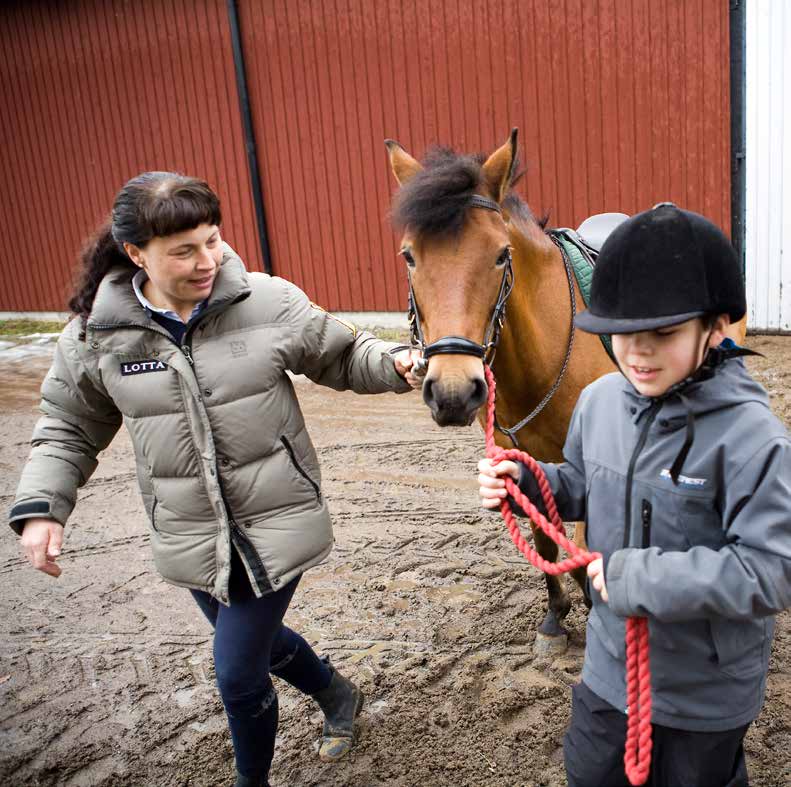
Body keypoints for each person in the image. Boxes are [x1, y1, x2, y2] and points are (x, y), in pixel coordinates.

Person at [10, 172, 422, 787]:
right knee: (258, 643)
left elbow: (340, 353)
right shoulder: (99, 336)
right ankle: (338, 695)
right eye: (184, 250)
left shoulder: (266, 301)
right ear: (135, 255)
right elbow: (69, 423)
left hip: (276, 518)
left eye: (212, 240)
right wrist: (43, 506)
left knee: (236, 672)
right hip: (191, 531)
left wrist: (394, 365)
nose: (208, 260)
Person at [478, 203, 791, 786]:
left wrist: (636, 580)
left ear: (717, 327)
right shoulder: (599, 402)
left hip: (704, 695)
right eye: (620, 334)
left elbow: (772, 571)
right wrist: (528, 483)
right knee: (590, 774)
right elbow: (582, 484)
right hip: (608, 668)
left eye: (662, 334)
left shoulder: (754, 441)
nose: (637, 353)